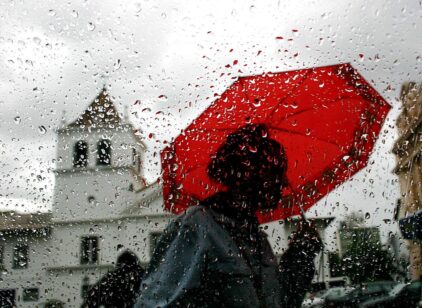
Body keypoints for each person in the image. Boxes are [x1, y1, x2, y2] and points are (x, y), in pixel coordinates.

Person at [134, 124, 322, 308]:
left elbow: (280, 301)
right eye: (275, 172)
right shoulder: (196, 227)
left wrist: (300, 256)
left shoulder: (258, 240)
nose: (283, 183)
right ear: (249, 174)